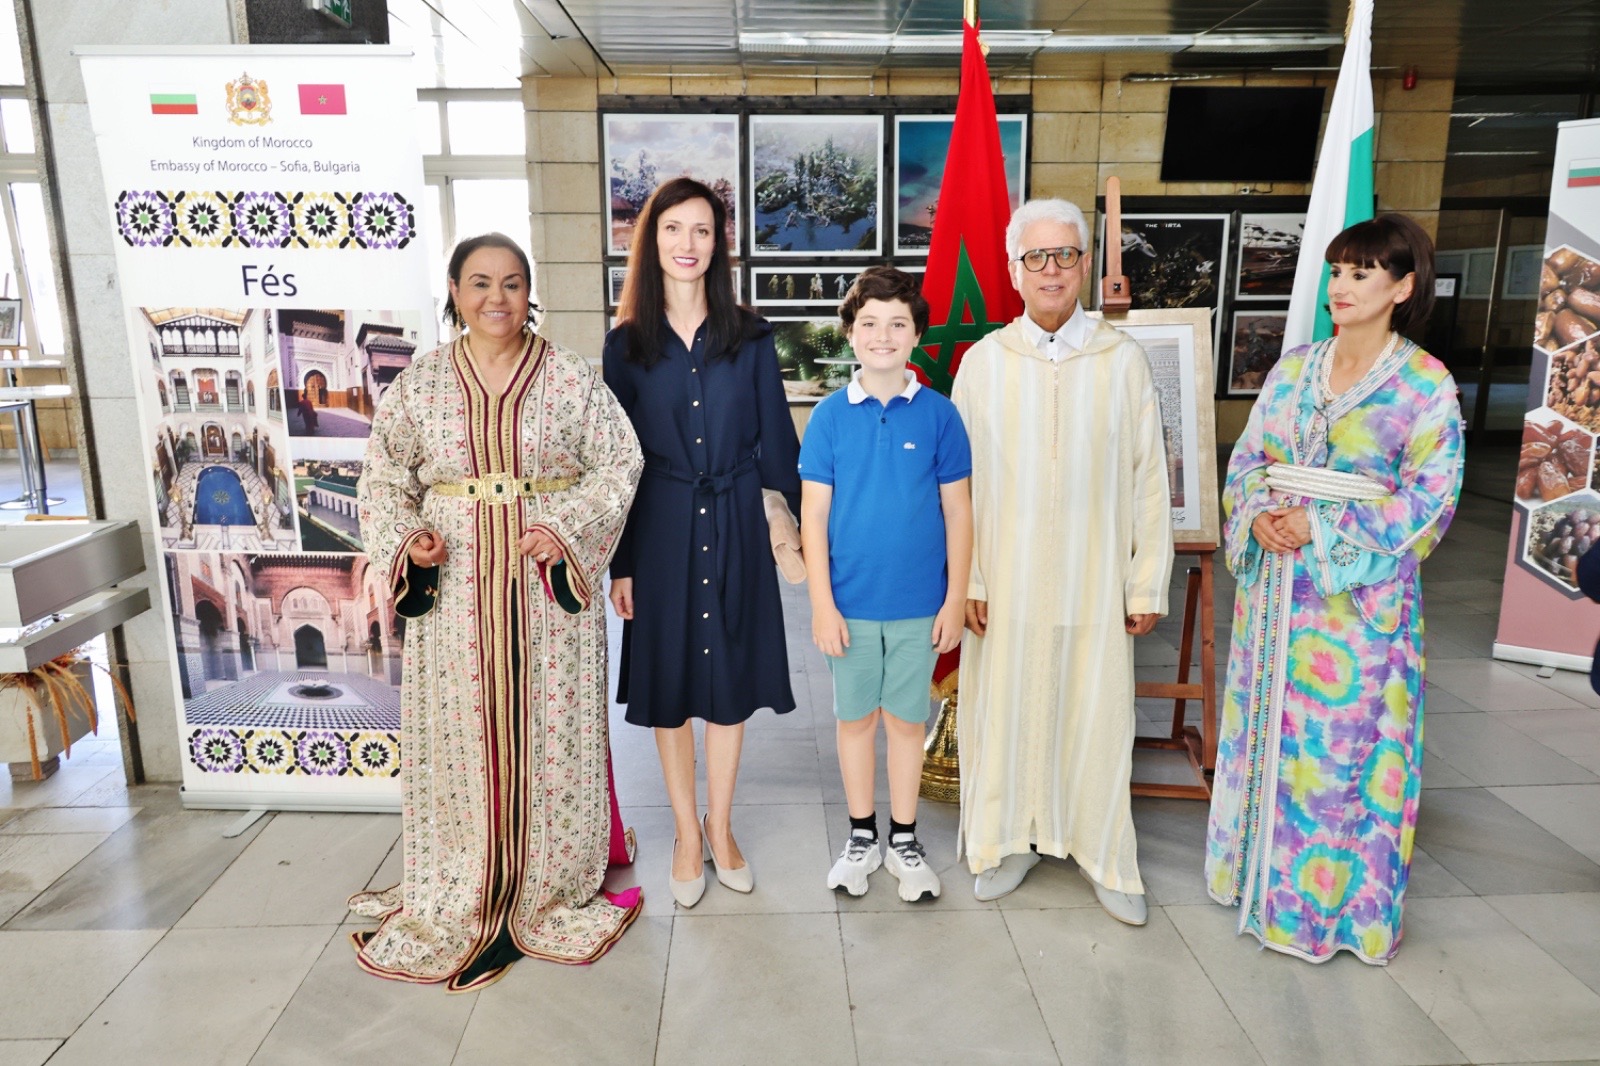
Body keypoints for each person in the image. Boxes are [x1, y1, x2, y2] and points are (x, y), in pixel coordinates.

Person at [352, 232, 644, 992]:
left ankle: (549, 874)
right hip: (454, 590)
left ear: (528, 291)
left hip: (544, 586)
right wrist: (409, 538)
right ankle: (466, 867)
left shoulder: (571, 378)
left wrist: (567, 528)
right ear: (454, 291)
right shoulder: (419, 384)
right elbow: (382, 479)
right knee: (465, 726)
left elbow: (621, 461)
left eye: (512, 283)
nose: (496, 298)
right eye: (479, 282)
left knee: (549, 723)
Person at [1205, 213, 1464, 964]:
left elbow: (1432, 500)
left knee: (1338, 754)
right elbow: (1248, 459)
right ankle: (1250, 880)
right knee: (1265, 732)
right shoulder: (1293, 369)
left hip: (1356, 609)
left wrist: (1320, 524)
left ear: (1403, 287)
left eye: (1361, 273)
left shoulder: (1424, 383)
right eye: (1337, 271)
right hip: (1275, 595)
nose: (1341, 287)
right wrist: (1258, 515)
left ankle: (1326, 912)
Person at [953, 198, 1173, 924]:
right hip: (1005, 577)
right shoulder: (984, 364)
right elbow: (958, 487)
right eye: (1035, 257)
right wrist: (969, 578)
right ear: (1013, 270)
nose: (1051, 270)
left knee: (1095, 712)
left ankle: (1103, 852)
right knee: (1007, 710)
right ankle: (1007, 839)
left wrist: (1146, 580)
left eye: (1065, 255)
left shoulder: (1121, 360)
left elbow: (1149, 478)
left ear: (1084, 265)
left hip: (1093, 574)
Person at [604, 177, 802, 909]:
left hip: (736, 519)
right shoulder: (625, 346)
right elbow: (617, 463)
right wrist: (622, 564)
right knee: (670, 686)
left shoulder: (750, 337)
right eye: (673, 229)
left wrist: (799, 530)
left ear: (718, 245)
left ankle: (721, 825)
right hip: (660, 526)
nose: (687, 244)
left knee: (729, 681)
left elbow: (777, 441)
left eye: (702, 230)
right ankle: (686, 834)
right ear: (651, 241)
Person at [799, 266, 973, 902]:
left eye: (898, 323)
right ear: (850, 333)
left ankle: (903, 838)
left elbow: (959, 512)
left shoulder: (940, 416)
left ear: (916, 334)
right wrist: (822, 604)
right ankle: (861, 836)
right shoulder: (828, 418)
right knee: (855, 721)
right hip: (848, 606)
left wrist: (954, 599)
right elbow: (813, 516)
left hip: (918, 607)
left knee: (904, 721)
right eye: (869, 323)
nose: (883, 335)